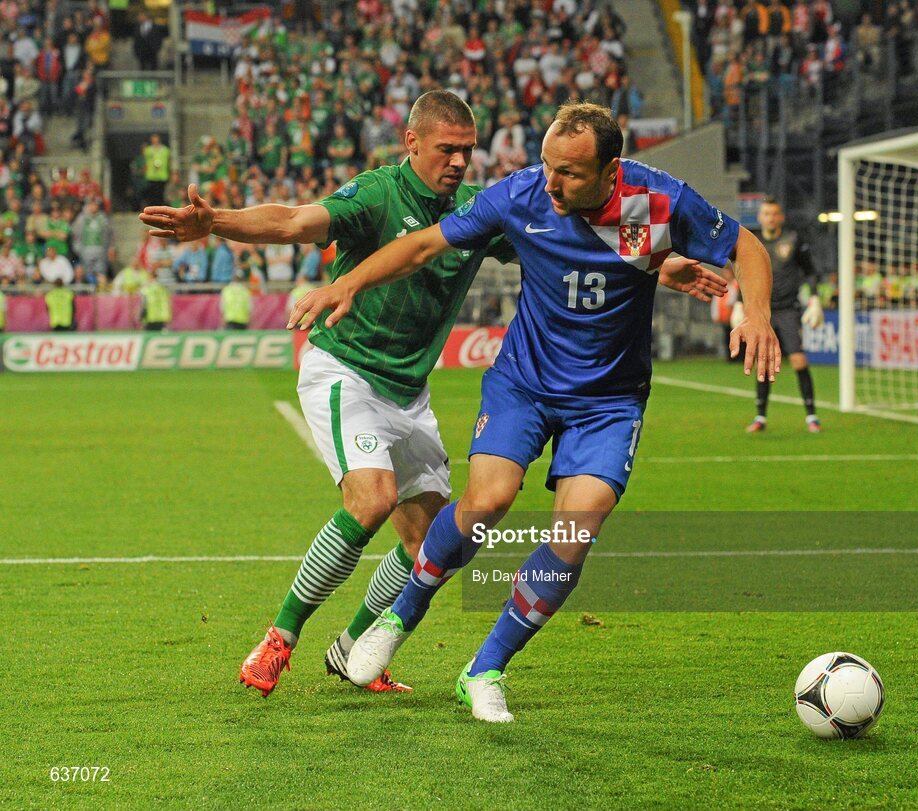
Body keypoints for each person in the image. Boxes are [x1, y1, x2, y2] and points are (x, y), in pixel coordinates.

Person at [139, 91, 718, 699]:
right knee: (371, 501)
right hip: (347, 372)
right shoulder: (377, 193)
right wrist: (217, 223)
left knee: (436, 540)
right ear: (411, 143)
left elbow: (575, 236)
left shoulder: (478, 209)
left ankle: (353, 648)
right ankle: (280, 637)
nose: (461, 162)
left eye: (468, 150)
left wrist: (660, 262)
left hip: (409, 393)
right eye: (448, 149)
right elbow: (294, 221)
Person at [290, 102, 779, 722]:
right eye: (546, 165)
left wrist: (754, 313)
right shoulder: (521, 195)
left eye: (568, 174)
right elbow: (421, 246)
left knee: (575, 534)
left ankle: (485, 668)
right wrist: (350, 282)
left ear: (610, 172)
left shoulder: (656, 202)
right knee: (486, 502)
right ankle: (398, 616)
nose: (550, 183)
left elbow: (745, 246)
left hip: (608, 400)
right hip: (524, 381)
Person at [735, 197, 822, 433]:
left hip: (788, 309)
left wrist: (814, 297)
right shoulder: (753, 241)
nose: (771, 218)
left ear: (780, 217)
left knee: (798, 360)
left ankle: (812, 416)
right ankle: (760, 417)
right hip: (761, 311)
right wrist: (737, 303)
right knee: (763, 362)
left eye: (774, 214)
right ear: (760, 217)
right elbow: (741, 272)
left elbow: (810, 271)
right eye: (766, 214)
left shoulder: (793, 239)